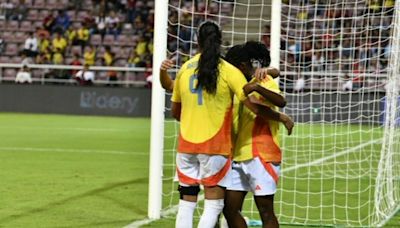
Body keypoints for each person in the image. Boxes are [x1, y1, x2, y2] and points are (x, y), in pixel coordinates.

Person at [170, 21, 292, 228]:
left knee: (261, 210)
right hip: (228, 151)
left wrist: (267, 79)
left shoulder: (186, 68)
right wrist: (280, 115)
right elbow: (251, 102)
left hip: (255, 153)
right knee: (222, 207)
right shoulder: (229, 76)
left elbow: (278, 101)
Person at [223, 41, 289, 228]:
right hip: (238, 154)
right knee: (229, 209)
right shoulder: (237, 85)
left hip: (262, 154)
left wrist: (258, 87)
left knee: (265, 210)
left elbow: (281, 101)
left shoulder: (262, 80)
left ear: (241, 66)